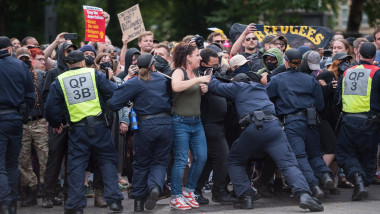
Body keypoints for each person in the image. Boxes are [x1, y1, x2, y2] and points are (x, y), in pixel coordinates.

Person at [207, 73, 323, 212]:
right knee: (288, 163)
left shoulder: (239, 87)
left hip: (253, 128)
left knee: (234, 160)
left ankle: (245, 197)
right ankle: (304, 195)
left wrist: (209, 76)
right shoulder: (261, 88)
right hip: (274, 128)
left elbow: (214, 86)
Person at [44, 50, 124, 213]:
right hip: (99, 126)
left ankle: (76, 206)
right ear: (82, 62)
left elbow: (50, 108)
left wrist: (56, 122)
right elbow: (113, 92)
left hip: (77, 129)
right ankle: (114, 201)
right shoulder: (94, 74)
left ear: (68, 64)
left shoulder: (60, 80)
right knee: (107, 161)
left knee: (76, 167)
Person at [108, 53, 173, 212]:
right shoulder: (165, 80)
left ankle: (138, 202)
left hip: (146, 125)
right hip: (166, 124)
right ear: (153, 65)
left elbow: (114, 103)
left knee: (141, 163)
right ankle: (155, 187)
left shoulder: (135, 81)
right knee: (160, 162)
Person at [266, 49, 334, 200]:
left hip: (292, 122)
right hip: (311, 121)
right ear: (301, 62)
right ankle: (325, 175)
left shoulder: (278, 79)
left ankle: (314, 186)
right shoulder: (310, 80)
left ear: (286, 62)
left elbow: (266, 97)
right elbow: (320, 105)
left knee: (300, 156)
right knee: (315, 154)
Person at [335, 42, 380, 201]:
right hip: (370, 123)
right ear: (374, 56)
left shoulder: (347, 72)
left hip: (348, 122)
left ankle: (358, 180)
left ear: (358, 55)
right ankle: (363, 184)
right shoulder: (377, 72)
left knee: (345, 154)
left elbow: (337, 99)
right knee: (368, 156)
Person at [170, 42, 211, 210]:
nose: (200, 57)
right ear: (188, 57)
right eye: (197, 55)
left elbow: (190, 92)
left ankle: (188, 191)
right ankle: (175, 197)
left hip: (197, 122)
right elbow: (176, 86)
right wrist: (200, 80)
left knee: (201, 157)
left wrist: (202, 89)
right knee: (180, 160)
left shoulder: (194, 73)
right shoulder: (179, 71)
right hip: (180, 122)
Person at [193, 48, 235, 205]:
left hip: (217, 123)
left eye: (218, 65)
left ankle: (195, 190)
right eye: (212, 66)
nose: (216, 68)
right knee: (223, 157)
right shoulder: (199, 77)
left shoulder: (213, 75)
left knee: (210, 160)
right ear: (203, 64)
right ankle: (218, 191)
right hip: (209, 123)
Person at [0, 36, 35, 214]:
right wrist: (24, 112)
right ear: (9, 49)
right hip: (15, 118)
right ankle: (12, 202)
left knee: (1, 166)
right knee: (12, 163)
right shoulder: (20, 65)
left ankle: (5, 203)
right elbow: (31, 94)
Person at [41, 42, 78, 208]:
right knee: (54, 160)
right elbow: (46, 100)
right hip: (59, 124)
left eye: (73, 51)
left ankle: (69, 193)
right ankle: (48, 195)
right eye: (67, 51)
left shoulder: (79, 73)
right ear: (61, 52)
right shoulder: (54, 72)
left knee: (73, 161)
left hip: (76, 123)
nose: (70, 53)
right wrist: (54, 121)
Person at [16, 48, 50, 207]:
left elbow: (47, 98)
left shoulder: (41, 76)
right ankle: (30, 189)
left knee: (45, 157)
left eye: (26, 59)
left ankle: (45, 189)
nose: (25, 62)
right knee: (22, 159)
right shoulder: (14, 77)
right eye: (21, 59)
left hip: (39, 121)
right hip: (22, 123)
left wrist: (49, 119)